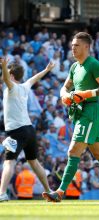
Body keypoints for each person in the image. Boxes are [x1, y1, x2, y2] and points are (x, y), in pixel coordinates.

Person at [42, 32, 99, 202]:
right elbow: (64, 88)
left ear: (87, 47)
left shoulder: (94, 64)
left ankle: (59, 192)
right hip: (81, 112)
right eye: (72, 45)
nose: (72, 48)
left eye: (76, 45)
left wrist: (85, 94)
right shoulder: (74, 67)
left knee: (73, 150)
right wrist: (65, 95)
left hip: (90, 111)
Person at [0, 57, 55, 202]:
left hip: (17, 131)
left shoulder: (11, 87)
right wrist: (47, 70)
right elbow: (35, 78)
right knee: (34, 162)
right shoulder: (25, 86)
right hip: (30, 130)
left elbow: (5, 78)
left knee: (9, 162)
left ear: (11, 76)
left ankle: (2, 194)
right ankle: (49, 191)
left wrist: (4, 66)